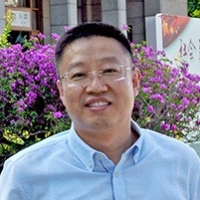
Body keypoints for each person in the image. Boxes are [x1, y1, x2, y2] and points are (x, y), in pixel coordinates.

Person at [0, 22, 199, 200]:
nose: (96, 87)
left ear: (135, 81)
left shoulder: (183, 162)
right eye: (79, 75)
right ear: (61, 90)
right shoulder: (25, 174)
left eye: (110, 71)